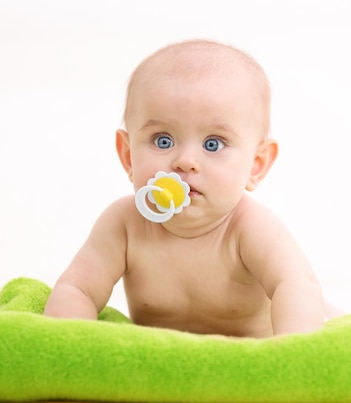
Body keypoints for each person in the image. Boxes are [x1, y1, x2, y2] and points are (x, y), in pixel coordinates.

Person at [44, 39, 328, 337]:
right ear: (128, 155)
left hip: (245, 361)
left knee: (325, 314)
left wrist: (292, 353)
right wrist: (68, 348)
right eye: (163, 140)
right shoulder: (124, 225)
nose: (185, 162)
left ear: (256, 165)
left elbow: (297, 285)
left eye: (213, 144)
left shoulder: (250, 227)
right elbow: (77, 289)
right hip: (167, 368)